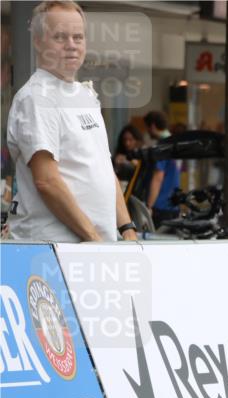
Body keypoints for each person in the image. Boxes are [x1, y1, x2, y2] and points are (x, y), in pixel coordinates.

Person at [5, 1, 138, 242]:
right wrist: (94, 239)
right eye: (60, 37)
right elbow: (46, 181)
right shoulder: (36, 97)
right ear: (38, 41)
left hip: (94, 248)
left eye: (78, 37)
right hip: (54, 248)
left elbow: (104, 170)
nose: (71, 46)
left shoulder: (85, 95)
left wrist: (127, 228)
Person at [144, 110, 180, 224]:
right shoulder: (174, 143)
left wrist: (149, 206)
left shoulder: (162, 146)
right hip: (173, 203)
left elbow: (158, 177)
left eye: (147, 127)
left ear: (153, 126)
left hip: (161, 205)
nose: (147, 131)